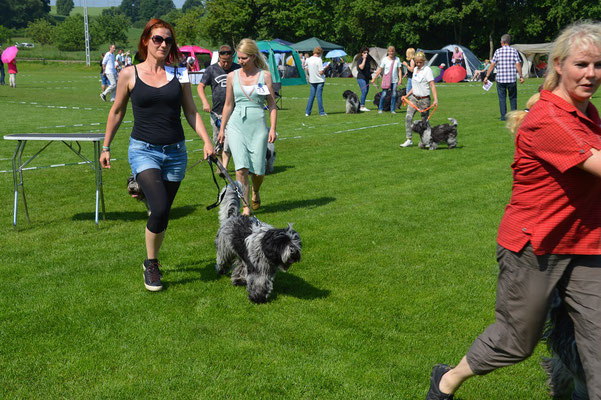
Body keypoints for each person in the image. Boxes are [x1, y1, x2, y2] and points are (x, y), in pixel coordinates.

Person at [426, 21, 601, 400]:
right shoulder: (547, 120)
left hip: (585, 245)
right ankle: (448, 379)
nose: (591, 74)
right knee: (516, 341)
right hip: (534, 247)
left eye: (598, 65)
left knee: (599, 348)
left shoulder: (587, 114)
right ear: (558, 64)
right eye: (582, 64)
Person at [99, 18, 214, 292]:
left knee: (161, 214)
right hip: (143, 150)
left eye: (168, 40)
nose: (163, 44)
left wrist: (207, 141)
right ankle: (152, 263)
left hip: (176, 153)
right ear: (146, 41)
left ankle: (145, 193)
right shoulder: (129, 74)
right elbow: (116, 111)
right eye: (158, 39)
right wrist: (106, 146)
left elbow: (191, 111)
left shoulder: (180, 73)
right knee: (160, 208)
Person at [218, 38, 277, 216]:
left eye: (243, 58)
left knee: (258, 171)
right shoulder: (232, 76)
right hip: (236, 123)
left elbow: (272, 105)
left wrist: (272, 128)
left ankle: (255, 191)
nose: (239, 61)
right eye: (239, 58)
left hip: (258, 122)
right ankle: (245, 206)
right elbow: (228, 105)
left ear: (252, 57)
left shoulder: (265, 76)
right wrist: (222, 129)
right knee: (241, 168)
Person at [198, 44, 240, 171]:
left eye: (228, 61)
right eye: (223, 62)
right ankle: (221, 165)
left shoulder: (238, 68)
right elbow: (200, 86)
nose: (226, 64)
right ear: (219, 59)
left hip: (234, 112)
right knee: (218, 141)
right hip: (216, 113)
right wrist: (205, 101)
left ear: (233, 58)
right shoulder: (211, 69)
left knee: (230, 141)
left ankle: (225, 167)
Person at [400, 51, 438, 147]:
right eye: (417, 62)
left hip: (424, 100)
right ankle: (409, 139)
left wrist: (435, 99)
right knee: (408, 118)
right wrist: (406, 95)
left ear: (424, 61)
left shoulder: (427, 70)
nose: (418, 64)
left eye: (420, 62)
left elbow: (432, 85)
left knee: (424, 122)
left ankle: (428, 139)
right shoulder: (415, 69)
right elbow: (414, 86)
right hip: (414, 99)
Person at [484, 34, 524, 121]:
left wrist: (487, 76)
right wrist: (521, 76)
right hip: (511, 79)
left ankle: (503, 117)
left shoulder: (497, 51)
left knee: (502, 99)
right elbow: (518, 64)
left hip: (501, 79)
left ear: (502, 42)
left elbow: (492, 65)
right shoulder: (514, 51)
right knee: (513, 98)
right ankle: (514, 117)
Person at [371, 46, 402, 114]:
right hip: (386, 80)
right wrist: (374, 78)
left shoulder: (397, 59)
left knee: (394, 95)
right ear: (388, 52)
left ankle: (392, 109)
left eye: (392, 51)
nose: (391, 53)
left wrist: (400, 80)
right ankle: (380, 108)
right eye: (390, 51)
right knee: (384, 94)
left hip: (395, 80)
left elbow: (399, 70)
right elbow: (380, 69)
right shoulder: (385, 59)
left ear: (394, 52)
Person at [305, 47, 327, 116]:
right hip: (319, 80)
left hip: (312, 80)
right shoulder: (319, 60)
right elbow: (321, 72)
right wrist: (325, 68)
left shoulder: (308, 59)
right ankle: (321, 112)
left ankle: (307, 112)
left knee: (311, 96)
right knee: (319, 96)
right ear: (320, 53)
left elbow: (307, 69)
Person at [356, 47, 372, 112]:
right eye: (365, 53)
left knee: (366, 92)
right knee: (364, 91)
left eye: (367, 53)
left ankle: (361, 105)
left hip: (367, 78)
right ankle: (362, 106)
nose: (366, 54)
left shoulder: (368, 60)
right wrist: (364, 59)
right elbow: (361, 67)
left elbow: (368, 69)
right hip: (361, 78)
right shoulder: (360, 60)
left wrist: (373, 72)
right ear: (362, 53)